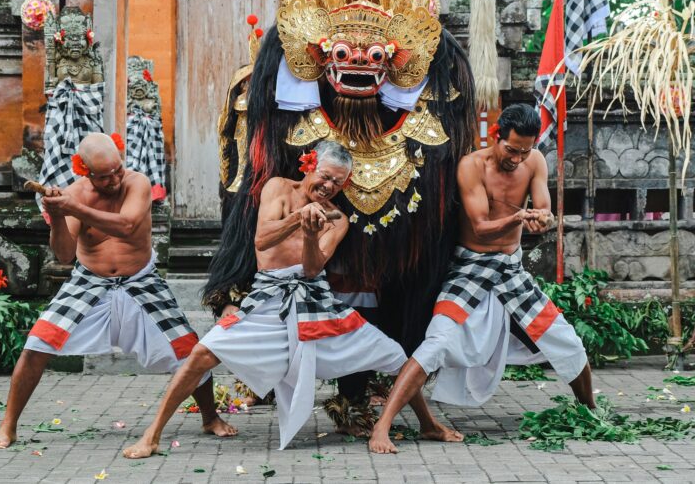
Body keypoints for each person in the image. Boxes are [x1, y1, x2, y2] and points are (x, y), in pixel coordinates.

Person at [123, 140, 461, 457]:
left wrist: (313, 237)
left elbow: (313, 270)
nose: (329, 187)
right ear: (309, 165)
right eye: (326, 177)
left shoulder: (338, 219)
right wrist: (300, 218)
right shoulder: (278, 188)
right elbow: (261, 240)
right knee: (201, 353)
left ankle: (427, 424)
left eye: (338, 183)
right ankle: (151, 435)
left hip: (315, 300)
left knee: (396, 356)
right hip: (268, 297)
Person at [0, 133, 235, 449]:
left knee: (187, 346)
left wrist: (75, 207)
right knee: (37, 343)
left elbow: (127, 225)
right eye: (104, 176)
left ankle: (210, 417)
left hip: (141, 279)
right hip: (89, 280)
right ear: (84, 170)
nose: (115, 179)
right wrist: (60, 217)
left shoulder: (137, 183)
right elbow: (63, 254)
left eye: (117, 169)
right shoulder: (75, 194)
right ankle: (8, 426)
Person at [369, 104, 595, 454]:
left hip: (510, 271)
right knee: (436, 344)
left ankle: (591, 412)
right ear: (495, 137)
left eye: (525, 151)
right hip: (470, 269)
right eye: (511, 149)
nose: (517, 159)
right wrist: (520, 217)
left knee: (566, 340)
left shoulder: (534, 160)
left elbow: (545, 209)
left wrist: (543, 220)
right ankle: (381, 428)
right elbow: (480, 227)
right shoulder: (471, 166)